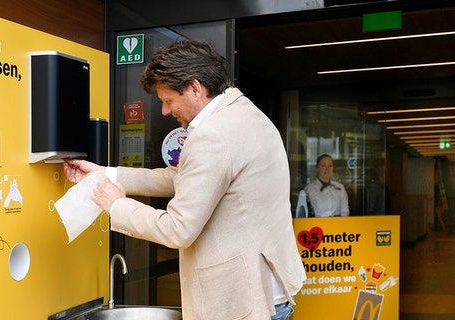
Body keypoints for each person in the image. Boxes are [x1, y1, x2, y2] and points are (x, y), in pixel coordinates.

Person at [63, 40, 306, 320]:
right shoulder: (247, 114)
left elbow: (178, 229)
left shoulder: (211, 136)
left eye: (168, 101)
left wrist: (117, 206)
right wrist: (106, 174)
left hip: (242, 303)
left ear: (194, 88)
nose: (166, 111)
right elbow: (186, 177)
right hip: (269, 293)